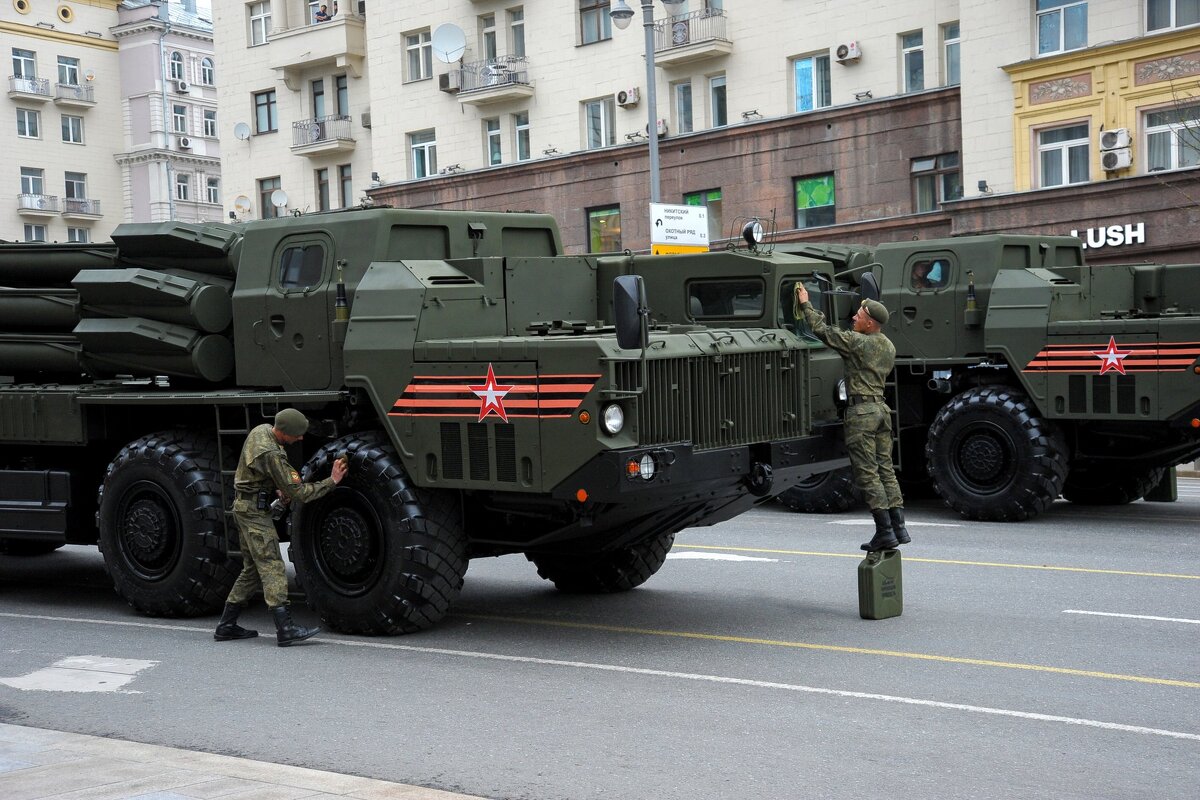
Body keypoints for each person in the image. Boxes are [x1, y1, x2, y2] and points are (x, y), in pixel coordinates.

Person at [214, 408, 347, 646]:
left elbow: (257, 472)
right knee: (273, 565)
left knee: (253, 569)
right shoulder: (273, 454)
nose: (301, 438)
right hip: (254, 514)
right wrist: (332, 481)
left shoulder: (261, 431)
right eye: (297, 435)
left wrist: (272, 487)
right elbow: (299, 492)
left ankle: (226, 625)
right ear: (284, 433)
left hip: (245, 507)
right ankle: (285, 629)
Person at [794, 284, 910, 551]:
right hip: (881, 410)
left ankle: (884, 531)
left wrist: (805, 304)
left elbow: (823, 331)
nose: (854, 318)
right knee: (886, 470)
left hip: (862, 414)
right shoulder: (888, 346)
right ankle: (899, 527)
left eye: (859, 316)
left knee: (867, 473)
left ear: (870, 323)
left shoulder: (858, 342)